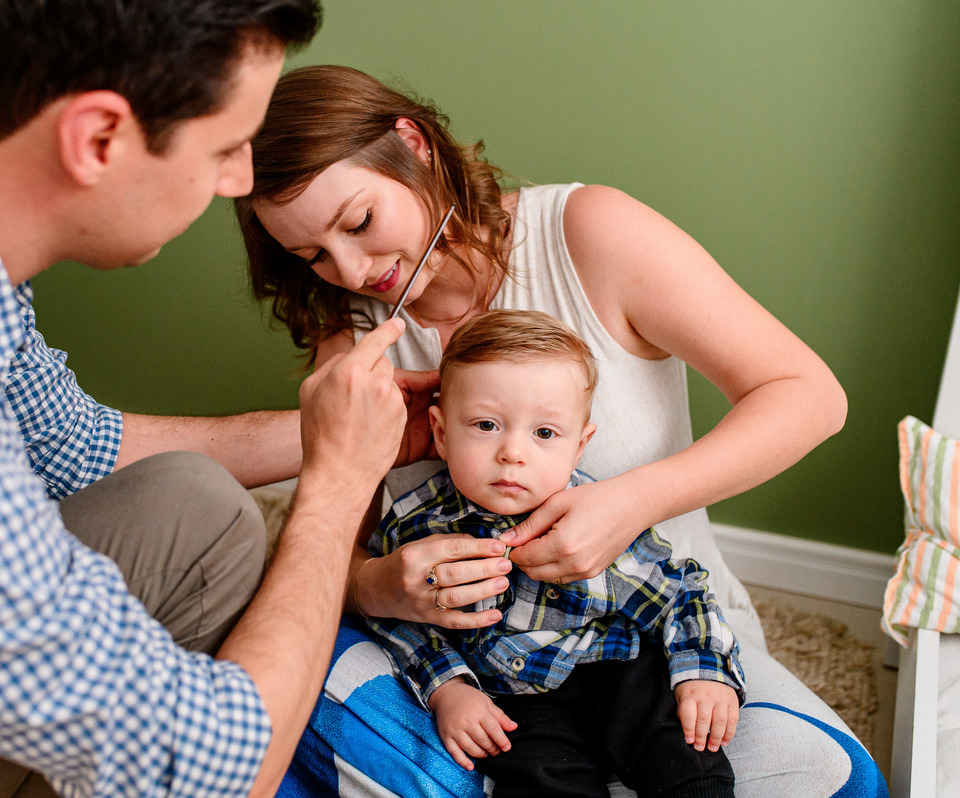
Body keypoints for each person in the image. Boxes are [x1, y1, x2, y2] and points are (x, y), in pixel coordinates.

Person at [0, 5, 437, 798]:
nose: (240, 181)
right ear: (98, 138)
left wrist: (336, 436)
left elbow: (76, 447)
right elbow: (215, 776)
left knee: (195, 506)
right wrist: (333, 493)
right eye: (224, 147)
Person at [236, 65, 886, 795]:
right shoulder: (353, 338)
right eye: (312, 255)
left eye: (358, 222)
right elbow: (332, 550)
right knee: (268, 735)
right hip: (483, 676)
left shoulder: (589, 232)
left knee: (837, 782)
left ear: (412, 143)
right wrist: (380, 584)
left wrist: (629, 503)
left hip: (645, 639)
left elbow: (811, 397)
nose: (351, 270)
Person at [367, 310, 742, 797]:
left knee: (682, 748)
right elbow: (397, 616)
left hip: (616, 664)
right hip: (510, 691)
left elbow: (680, 591)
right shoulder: (419, 525)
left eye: (544, 434)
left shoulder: (597, 516)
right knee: (536, 778)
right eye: (486, 425)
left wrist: (705, 670)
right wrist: (448, 690)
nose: (512, 453)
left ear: (580, 445)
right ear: (441, 432)